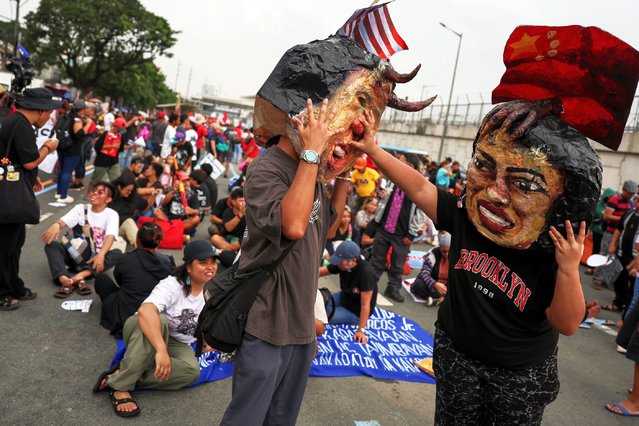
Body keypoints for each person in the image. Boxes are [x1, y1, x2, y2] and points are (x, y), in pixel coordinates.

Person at [352, 100, 601, 424]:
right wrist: (373, 148)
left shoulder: (551, 250)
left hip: (517, 378)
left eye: (524, 184)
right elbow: (418, 186)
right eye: (484, 165)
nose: (495, 193)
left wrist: (568, 268)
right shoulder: (467, 216)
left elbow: (566, 323)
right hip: (458, 359)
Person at [220, 99, 347, 425]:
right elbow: (292, 226)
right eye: (324, 122)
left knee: (281, 419)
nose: (332, 132)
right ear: (298, 122)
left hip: (302, 325)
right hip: (268, 322)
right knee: (247, 418)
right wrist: (312, 153)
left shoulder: (313, 173)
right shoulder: (268, 167)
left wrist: (344, 175)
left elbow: (326, 229)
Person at [93, 240, 218, 418]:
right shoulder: (173, 284)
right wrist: (161, 350)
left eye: (213, 262)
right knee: (159, 319)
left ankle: (123, 374)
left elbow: (206, 319)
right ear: (189, 266)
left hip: (177, 340)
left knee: (192, 372)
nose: (210, 267)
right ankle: (120, 387)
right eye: (203, 262)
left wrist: (207, 341)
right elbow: (145, 311)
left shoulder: (213, 288)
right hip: (143, 328)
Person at [0, 88, 62, 310]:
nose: (49, 118)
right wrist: (48, 147)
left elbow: (18, 160)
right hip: (9, 197)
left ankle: (14, 286)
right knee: (6, 247)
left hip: (11, 187)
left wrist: (30, 178)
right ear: (40, 110)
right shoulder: (22, 125)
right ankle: (3, 292)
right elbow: (30, 161)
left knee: (15, 244)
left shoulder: (15, 121)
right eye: (49, 112)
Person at [42, 182, 125, 297]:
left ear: (108, 199)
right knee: (51, 246)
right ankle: (64, 279)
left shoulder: (112, 214)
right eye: (94, 190)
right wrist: (56, 224)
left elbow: (110, 236)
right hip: (74, 254)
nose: (94, 193)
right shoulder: (81, 208)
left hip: (94, 260)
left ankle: (80, 276)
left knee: (117, 254)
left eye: (100, 192)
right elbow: (64, 221)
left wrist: (100, 254)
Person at [95, 222, 175, 338]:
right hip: (155, 316)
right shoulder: (167, 261)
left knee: (102, 279)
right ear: (158, 242)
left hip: (127, 316)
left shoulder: (125, 259)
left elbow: (119, 281)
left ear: (137, 240)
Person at [368, 152, 426, 303]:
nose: (396, 163)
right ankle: (369, 287)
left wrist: (411, 234)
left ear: (410, 166)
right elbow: (383, 202)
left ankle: (392, 289)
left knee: (397, 265)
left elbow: (420, 212)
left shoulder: (417, 185)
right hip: (384, 229)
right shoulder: (392, 180)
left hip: (402, 235)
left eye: (400, 161)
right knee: (376, 261)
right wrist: (381, 198)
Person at [319, 241, 377, 343]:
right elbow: (322, 271)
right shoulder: (342, 264)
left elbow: (365, 305)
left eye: (340, 261)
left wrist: (361, 330)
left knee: (324, 316)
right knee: (321, 302)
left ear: (353, 261)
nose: (338, 263)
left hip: (355, 311)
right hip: (345, 296)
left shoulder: (366, 273)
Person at [593, 180, 636, 289]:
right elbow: (606, 216)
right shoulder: (615, 199)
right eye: (629, 192)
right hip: (610, 233)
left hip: (621, 236)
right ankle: (597, 279)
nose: (631, 195)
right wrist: (623, 219)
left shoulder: (630, 202)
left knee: (613, 259)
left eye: (632, 193)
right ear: (624, 190)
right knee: (603, 255)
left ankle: (607, 280)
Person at [603, 204, 639, 313]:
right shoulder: (628, 213)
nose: (637, 199)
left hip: (635, 258)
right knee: (619, 281)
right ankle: (618, 303)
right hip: (621, 253)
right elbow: (619, 229)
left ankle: (628, 313)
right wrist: (612, 244)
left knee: (633, 287)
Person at [410, 232, 451, 306]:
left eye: (449, 251)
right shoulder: (433, 254)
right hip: (433, 285)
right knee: (418, 285)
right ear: (440, 247)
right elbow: (424, 273)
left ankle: (441, 297)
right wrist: (435, 284)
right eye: (444, 251)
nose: (447, 254)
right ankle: (443, 298)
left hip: (447, 287)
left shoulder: (458, 256)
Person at [109, 174, 148, 247]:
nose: (129, 192)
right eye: (128, 190)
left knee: (129, 222)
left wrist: (149, 193)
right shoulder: (109, 196)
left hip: (123, 228)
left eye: (131, 190)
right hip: (109, 230)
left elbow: (144, 204)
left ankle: (141, 250)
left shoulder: (132, 196)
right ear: (119, 187)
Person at [89, 117, 128, 190]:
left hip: (114, 161)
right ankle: (88, 195)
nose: (120, 131)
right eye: (119, 128)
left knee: (117, 180)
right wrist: (111, 146)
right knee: (95, 181)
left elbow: (121, 148)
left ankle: (116, 196)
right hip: (102, 161)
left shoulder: (120, 136)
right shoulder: (106, 134)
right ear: (115, 126)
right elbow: (97, 147)